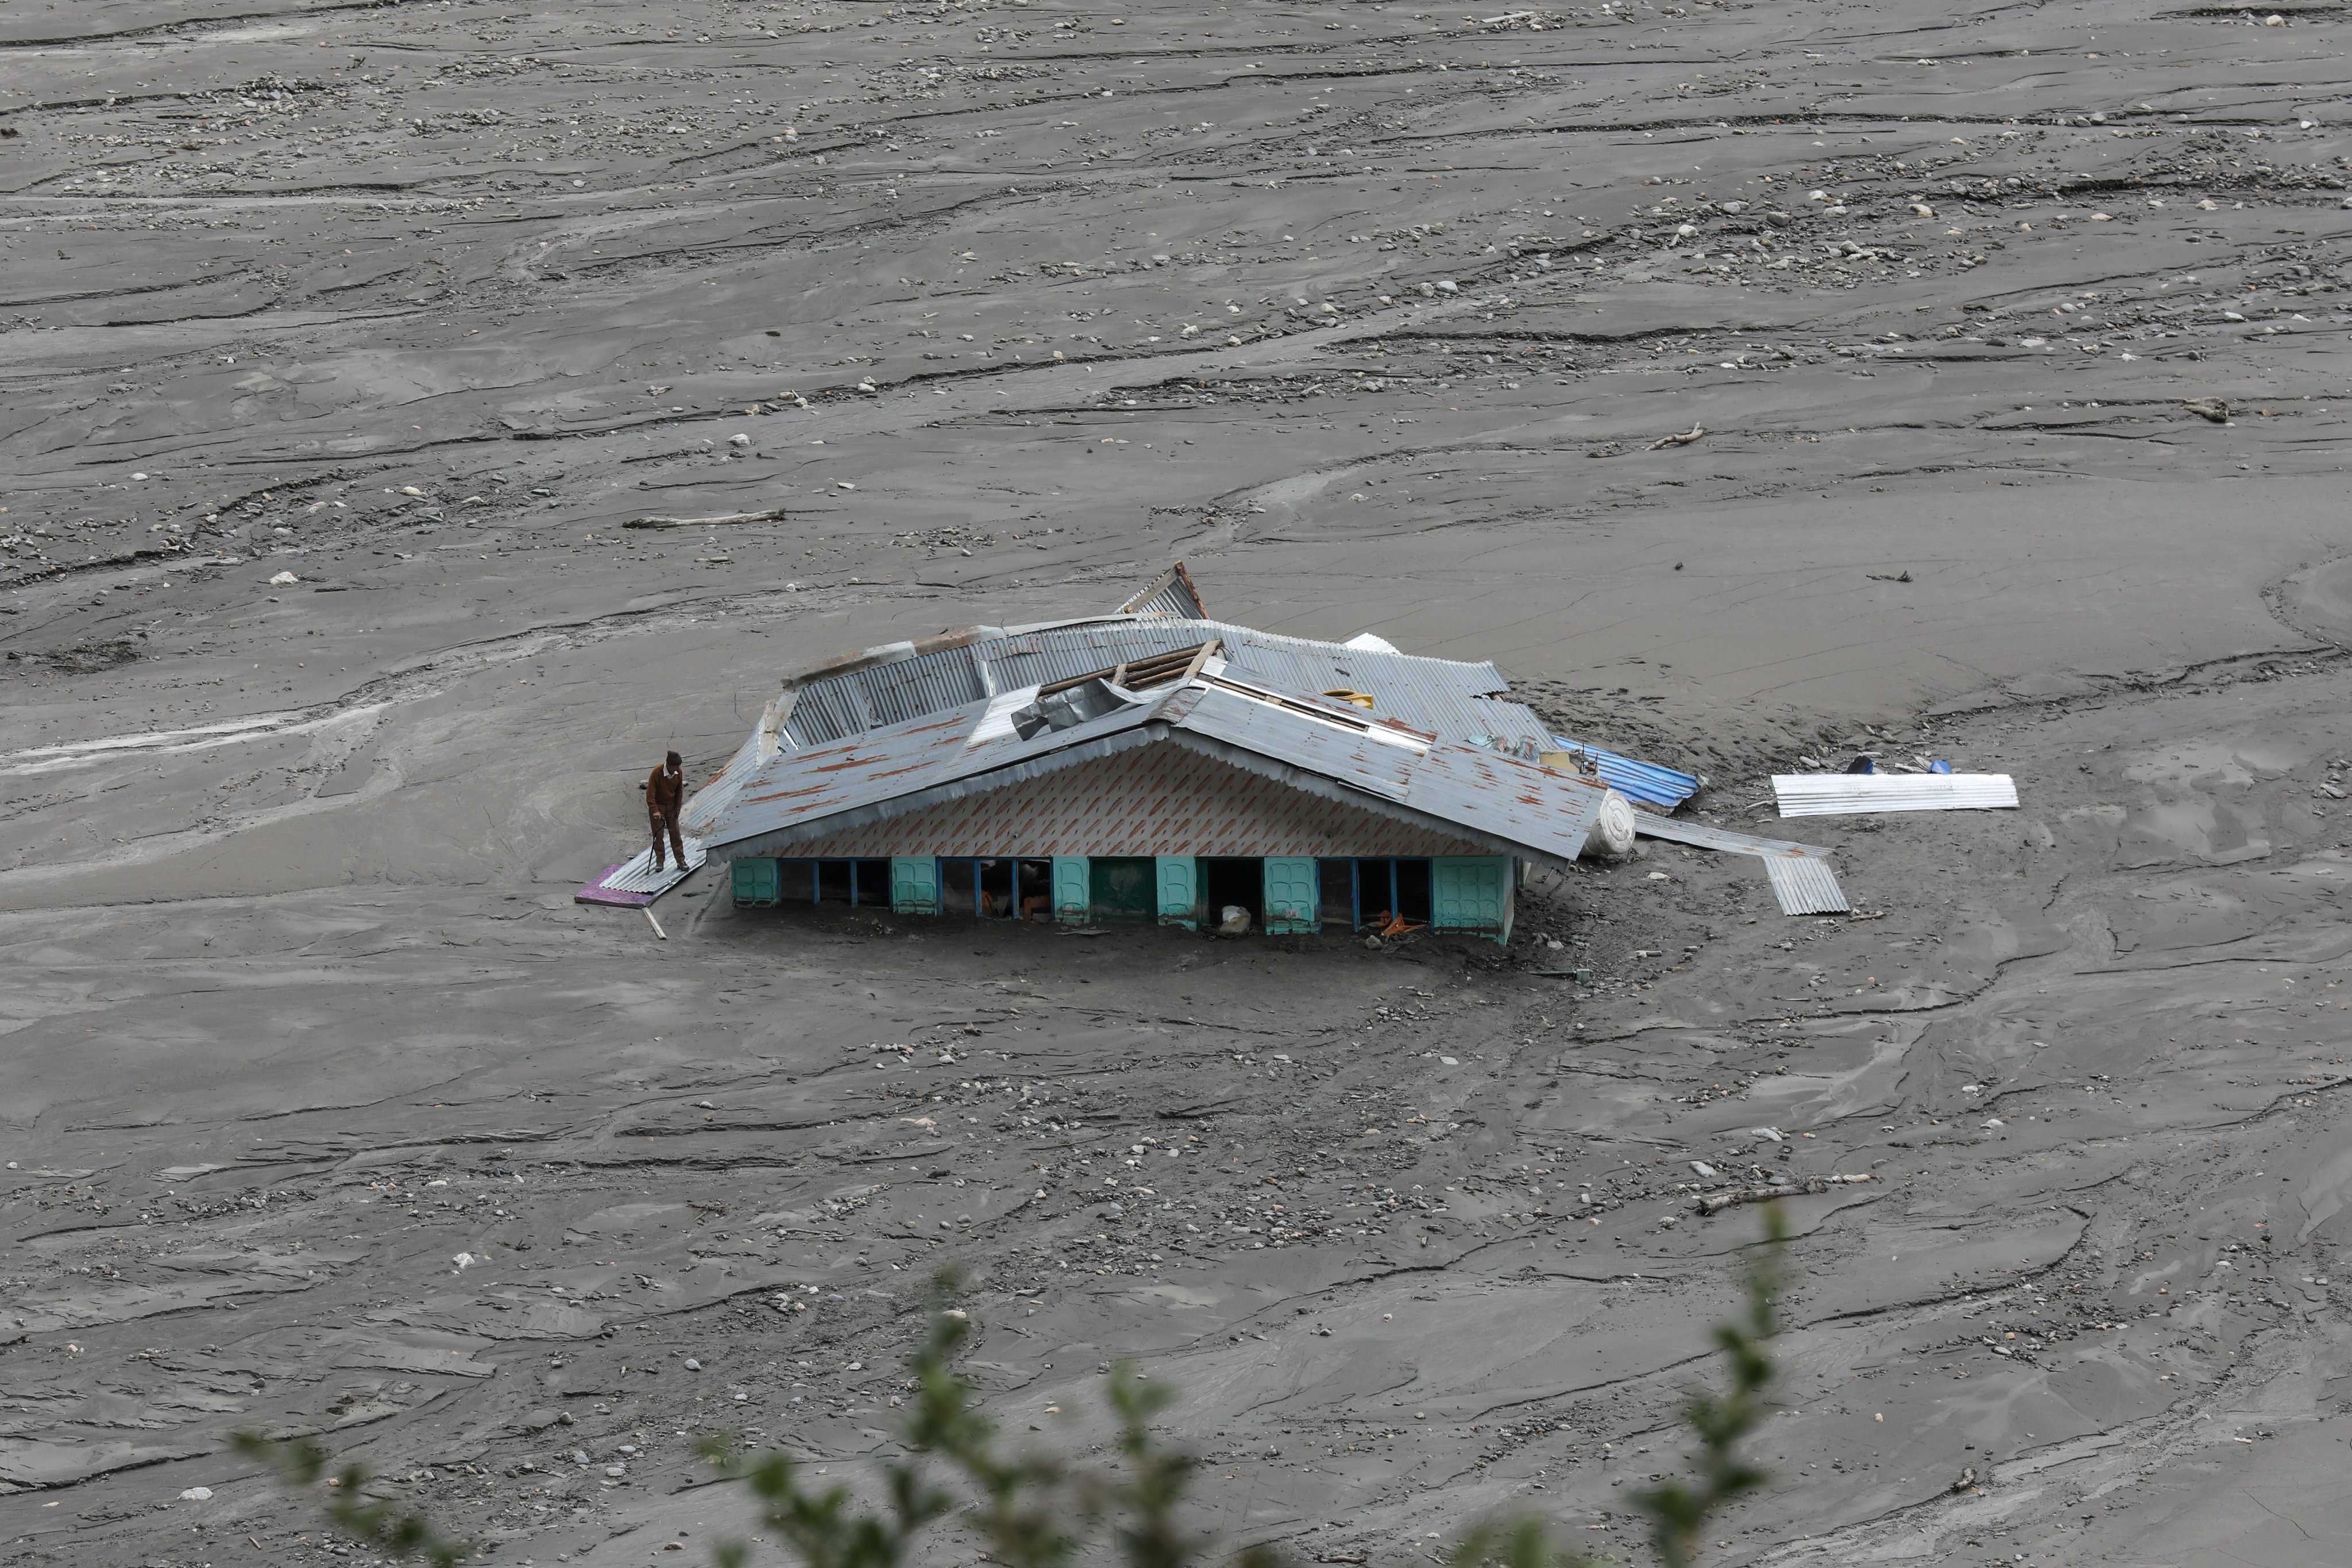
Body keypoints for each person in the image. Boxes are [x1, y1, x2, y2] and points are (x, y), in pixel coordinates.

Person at [646, 750, 686, 871]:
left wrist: (677, 808)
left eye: (678, 766)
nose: (677, 769)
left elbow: (679, 792)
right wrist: (655, 811)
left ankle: (680, 860)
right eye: (675, 766)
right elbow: (650, 795)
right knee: (658, 836)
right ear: (669, 765)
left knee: (676, 835)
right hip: (658, 806)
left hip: (671, 806)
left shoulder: (678, 772)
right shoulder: (657, 773)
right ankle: (660, 862)